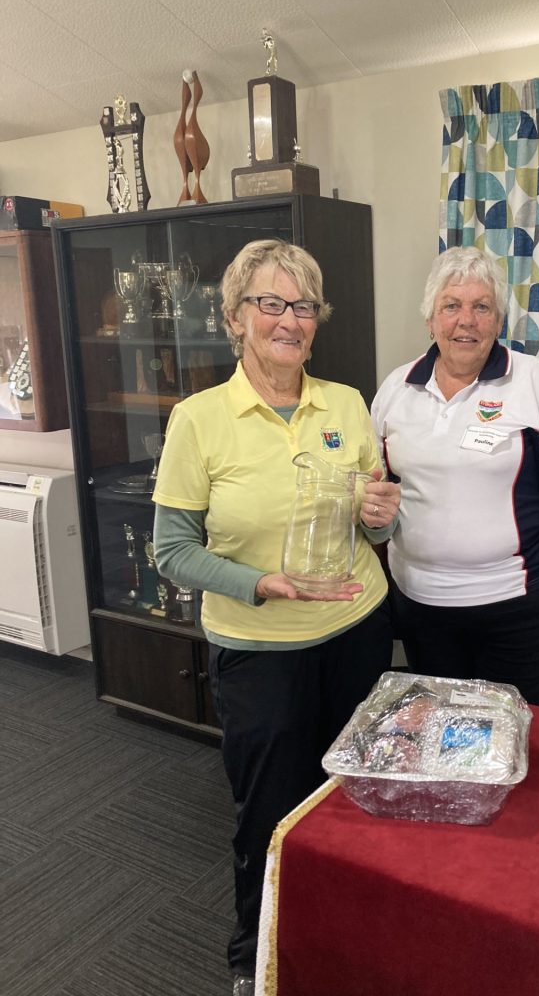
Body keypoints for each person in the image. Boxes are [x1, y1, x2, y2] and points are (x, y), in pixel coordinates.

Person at [151, 239, 399, 996]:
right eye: (270, 303)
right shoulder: (198, 419)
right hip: (260, 650)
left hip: (357, 634)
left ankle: (348, 942)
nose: (289, 320)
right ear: (235, 318)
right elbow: (171, 551)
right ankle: (254, 959)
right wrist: (260, 583)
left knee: (355, 801)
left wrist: (381, 515)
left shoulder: (346, 403)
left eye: (303, 306)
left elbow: (376, 528)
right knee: (270, 814)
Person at [371, 246, 539, 708]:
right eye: (451, 306)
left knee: (510, 726)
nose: (466, 321)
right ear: (430, 320)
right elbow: (375, 493)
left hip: (515, 605)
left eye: (482, 307)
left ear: (499, 320)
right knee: (435, 725)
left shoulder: (533, 382)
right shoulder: (396, 388)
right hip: (420, 604)